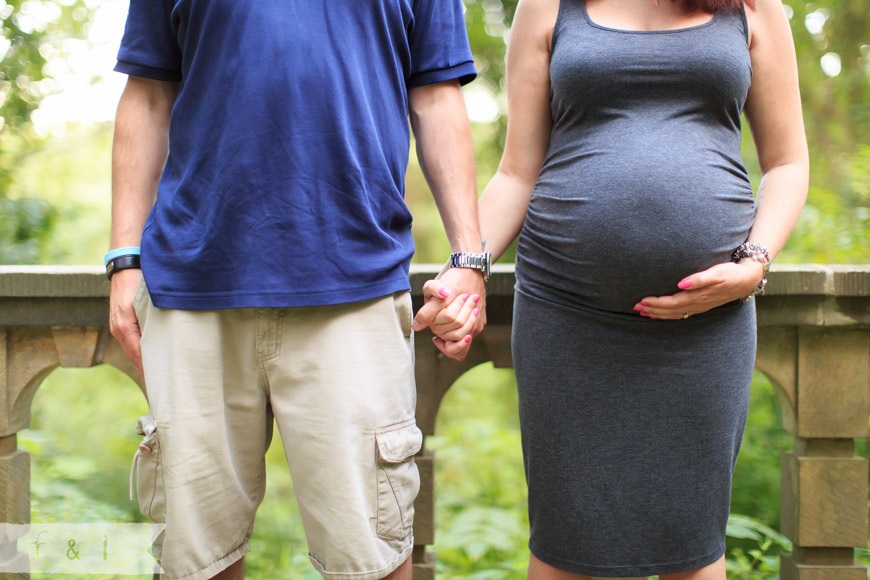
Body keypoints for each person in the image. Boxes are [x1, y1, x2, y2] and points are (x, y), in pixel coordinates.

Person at [417, 0, 809, 578]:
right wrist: (467, 262)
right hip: (567, 317)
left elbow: (788, 162)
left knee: (693, 538)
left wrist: (756, 261)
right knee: (565, 539)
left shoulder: (752, 8)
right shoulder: (547, 7)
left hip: (703, 327)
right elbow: (517, 172)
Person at [107, 2, 489, 579]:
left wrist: (470, 259)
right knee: (194, 562)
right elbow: (149, 93)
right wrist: (123, 259)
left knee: (372, 560)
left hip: (354, 283)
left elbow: (436, 94)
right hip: (194, 284)